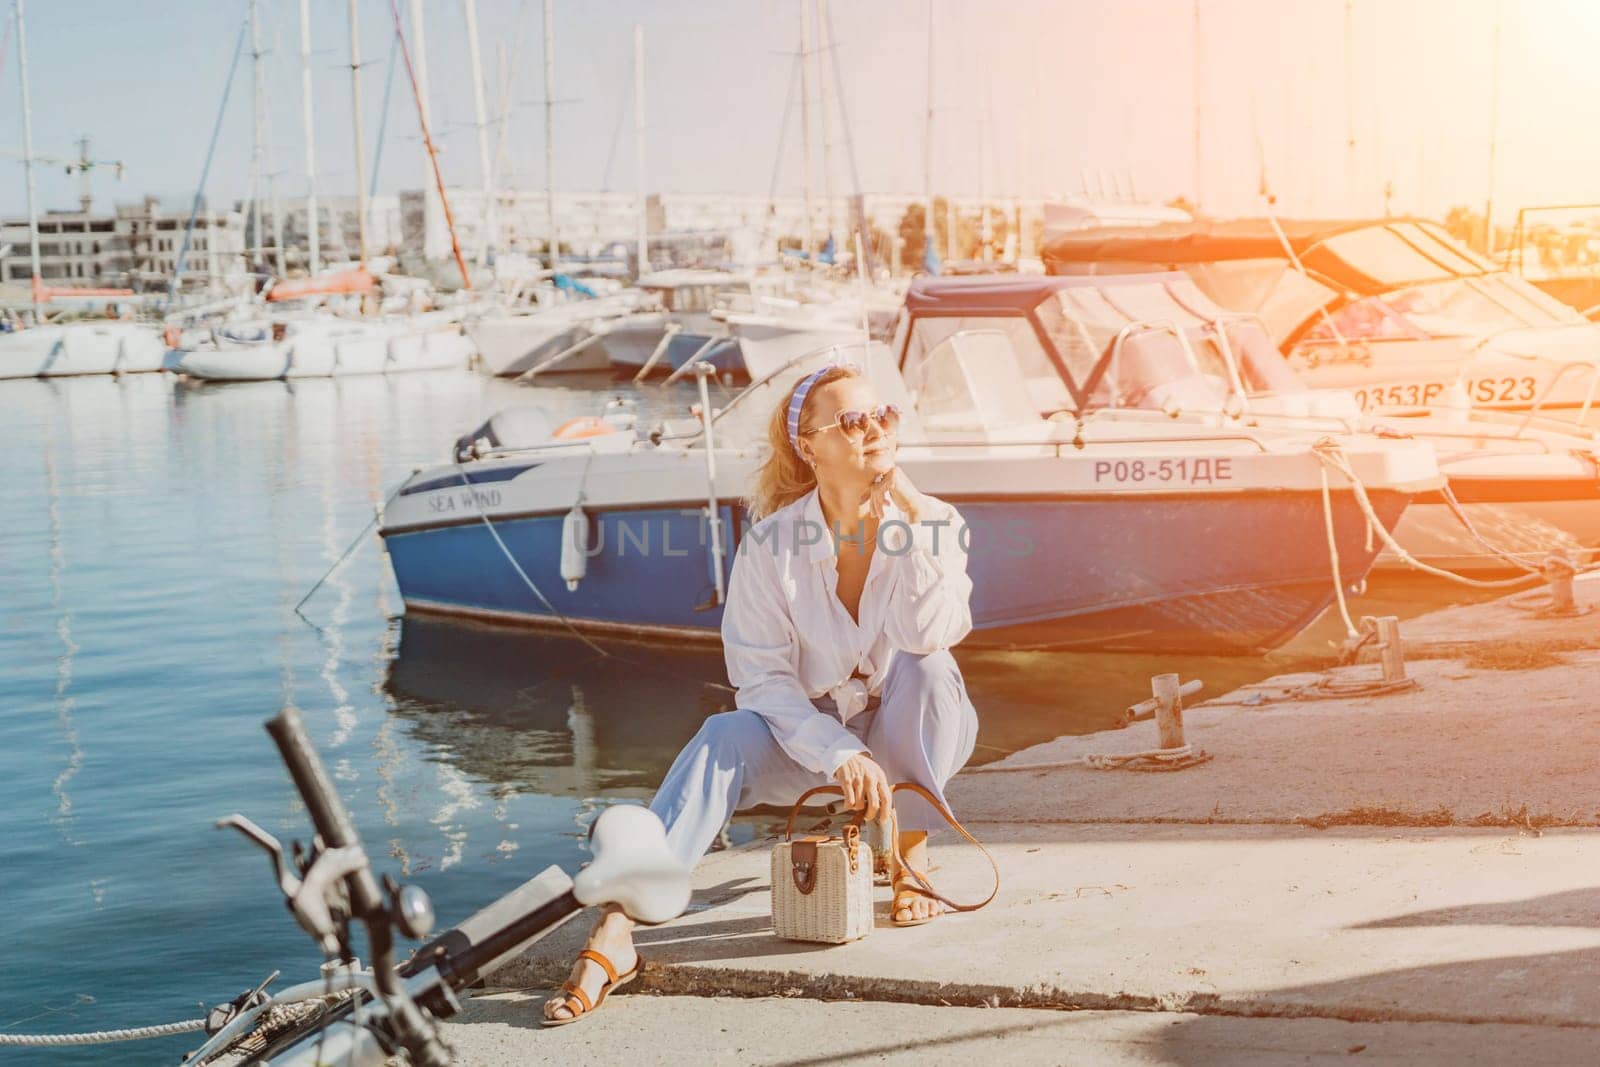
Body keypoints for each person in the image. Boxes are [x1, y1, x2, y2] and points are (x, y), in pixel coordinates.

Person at [543, 362, 979, 1026]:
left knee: (927, 665)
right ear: (810, 445)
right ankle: (620, 925)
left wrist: (914, 521)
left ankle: (910, 853)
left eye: (883, 414)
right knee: (722, 735)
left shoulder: (937, 520)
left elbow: (927, 632)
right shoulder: (772, 544)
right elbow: (762, 681)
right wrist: (836, 751)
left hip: (913, 725)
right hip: (811, 740)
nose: (875, 430)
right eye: (853, 420)